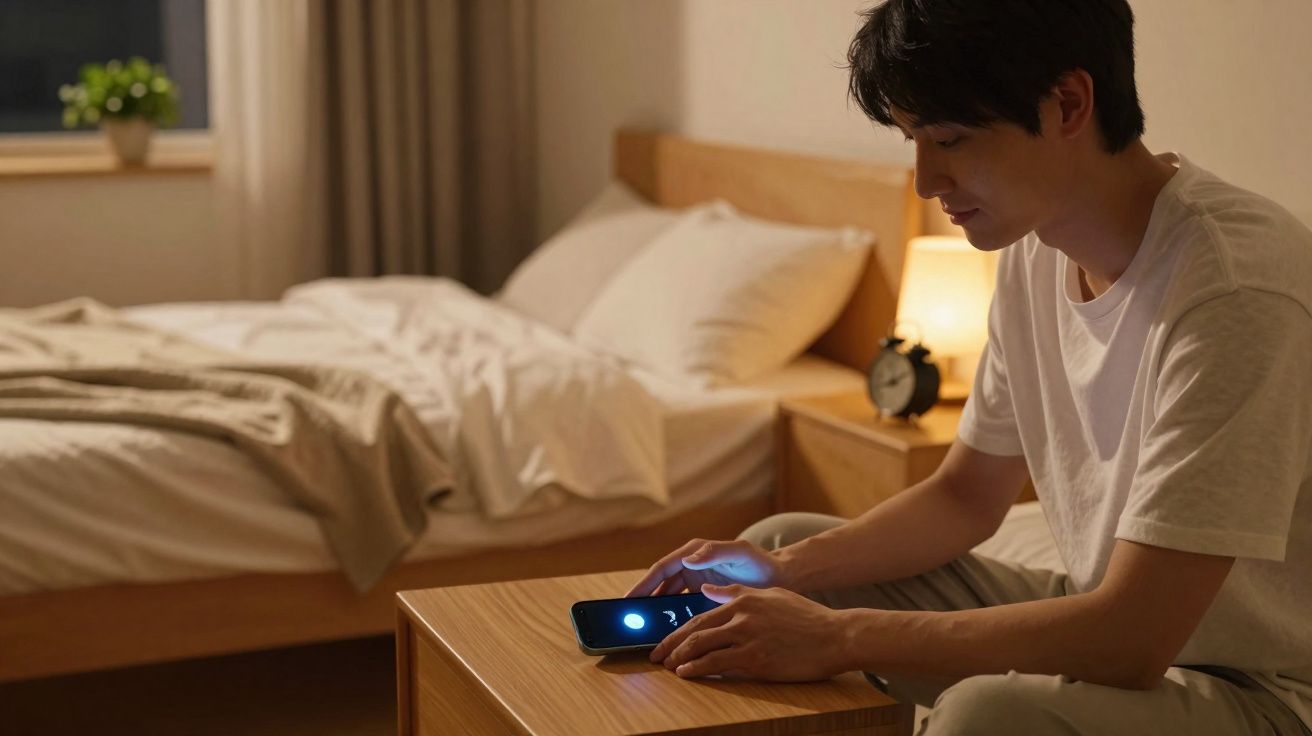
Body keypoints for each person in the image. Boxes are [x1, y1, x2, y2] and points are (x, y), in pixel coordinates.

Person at [625, 1, 1312, 733]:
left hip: (1256, 684)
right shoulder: (1034, 248)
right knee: (774, 550)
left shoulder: (1235, 287)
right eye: (913, 140)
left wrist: (841, 637)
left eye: (948, 138)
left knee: (988, 715)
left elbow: (1132, 640)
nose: (925, 180)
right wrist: (786, 574)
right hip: (1104, 612)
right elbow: (964, 498)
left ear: (1068, 104)